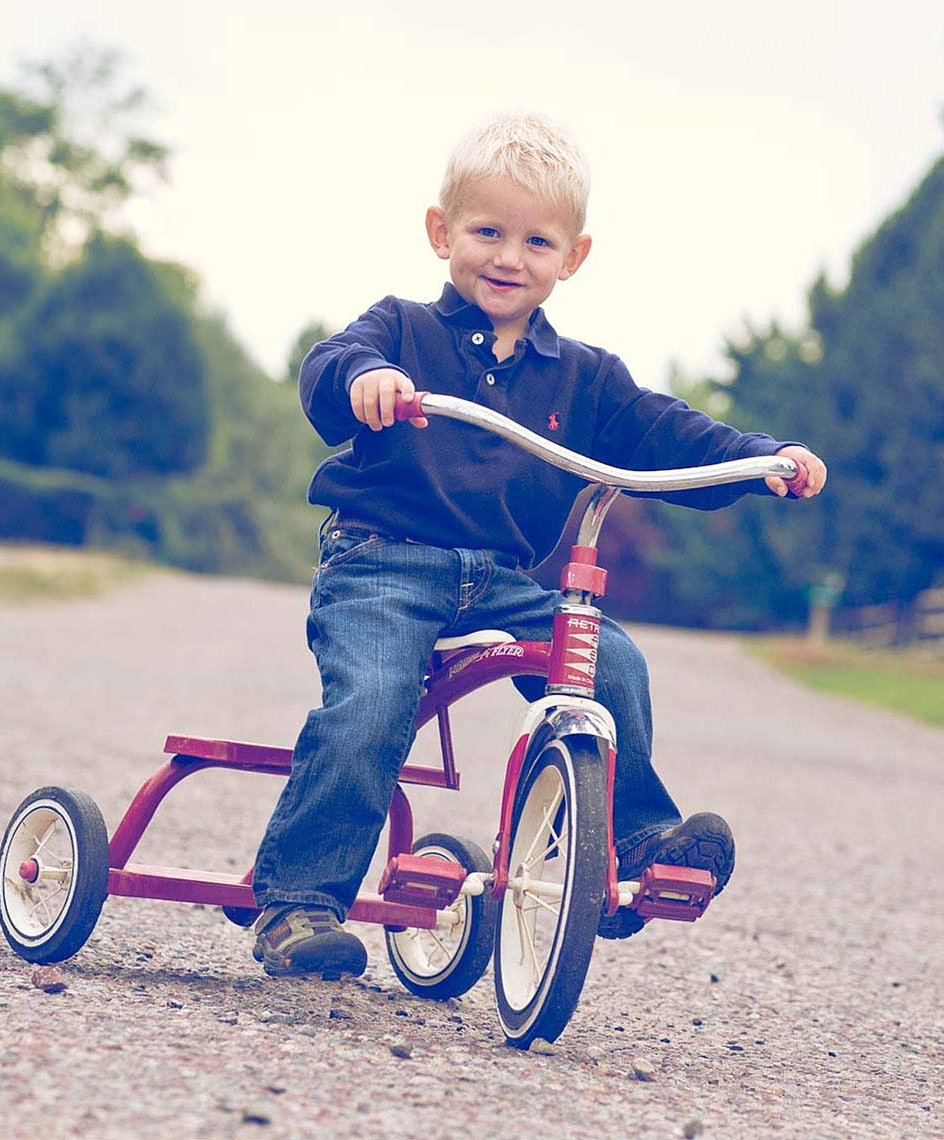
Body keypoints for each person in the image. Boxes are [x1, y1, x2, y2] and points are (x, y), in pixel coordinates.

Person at [250, 113, 827, 978]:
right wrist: (363, 381)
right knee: (371, 703)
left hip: (502, 579)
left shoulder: (586, 377)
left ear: (574, 257)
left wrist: (757, 459)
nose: (508, 258)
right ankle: (297, 903)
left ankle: (629, 843)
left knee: (613, 664)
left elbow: (666, 433)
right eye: (486, 232)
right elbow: (330, 366)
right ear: (442, 233)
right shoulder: (402, 330)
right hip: (383, 563)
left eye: (536, 240)